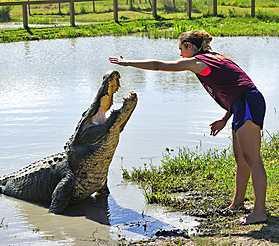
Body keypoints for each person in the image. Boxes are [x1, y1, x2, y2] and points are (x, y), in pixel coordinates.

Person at [109, 30, 267, 225]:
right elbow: (235, 87)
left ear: (190, 47)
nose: (180, 54)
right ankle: (237, 204)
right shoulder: (215, 57)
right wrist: (225, 118)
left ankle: (260, 212)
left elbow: (159, 66)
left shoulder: (198, 62)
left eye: (181, 49)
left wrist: (129, 63)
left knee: (252, 157)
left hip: (248, 103)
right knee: (241, 158)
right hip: (242, 104)